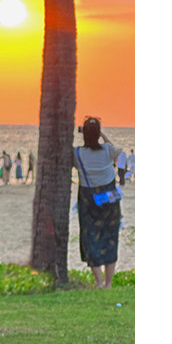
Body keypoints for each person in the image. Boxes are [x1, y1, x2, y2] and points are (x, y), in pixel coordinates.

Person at [72, 116, 123, 289]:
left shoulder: (77, 153)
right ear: (98, 133)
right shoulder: (107, 150)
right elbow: (118, 152)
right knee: (110, 238)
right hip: (109, 200)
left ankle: (99, 282)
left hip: (88, 200)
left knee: (90, 237)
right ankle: (108, 283)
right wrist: (103, 136)